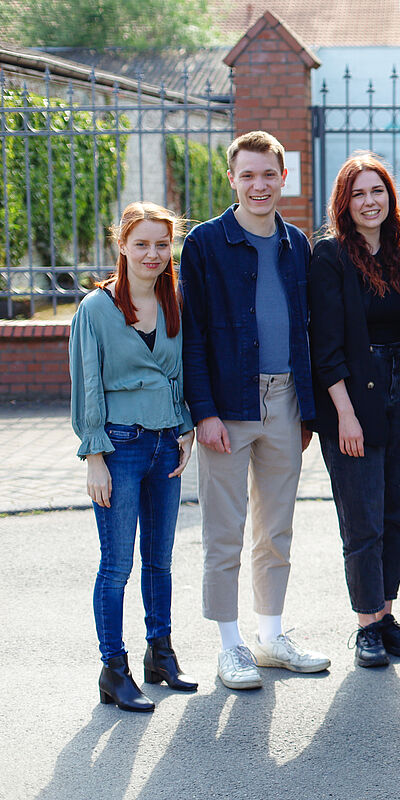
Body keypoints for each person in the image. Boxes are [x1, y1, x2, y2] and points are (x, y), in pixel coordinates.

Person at [180, 130, 330, 690]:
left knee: (276, 529)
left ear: (283, 178)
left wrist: (307, 411)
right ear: (232, 179)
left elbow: (307, 331)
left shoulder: (297, 244)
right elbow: (192, 335)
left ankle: (271, 637)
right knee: (224, 532)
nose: (259, 185)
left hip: (286, 401)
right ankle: (230, 647)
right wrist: (203, 412)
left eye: (268, 174)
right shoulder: (204, 244)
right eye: (247, 175)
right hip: (227, 406)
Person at [308, 152, 400, 668]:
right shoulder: (330, 256)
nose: (369, 202)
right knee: (362, 519)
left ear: (390, 197)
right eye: (358, 193)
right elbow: (325, 345)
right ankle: (366, 626)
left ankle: (386, 615)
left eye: (377, 191)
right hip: (353, 397)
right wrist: (344, 414)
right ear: (344, 203)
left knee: (398, 514)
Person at [70, 201, 197, 711]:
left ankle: (160, 655)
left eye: (162, 244)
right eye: (141, 243)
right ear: (121, 245)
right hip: (119, 447)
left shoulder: (173, 299)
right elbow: (87, 385)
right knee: (117, 564)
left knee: (159, 561)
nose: (153, 254)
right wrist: (94, 457)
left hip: (166, 444)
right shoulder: (96, 309)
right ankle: (114, 668)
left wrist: (185, 427)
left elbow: (180, 371)